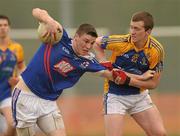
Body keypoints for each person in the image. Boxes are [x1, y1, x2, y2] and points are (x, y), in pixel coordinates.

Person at [93, 11, 167, 136]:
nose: (132, 32)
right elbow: (96, 42)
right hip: (115, 96)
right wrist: (103, 60)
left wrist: (128, 80)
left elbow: (153, 84)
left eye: (137, 29)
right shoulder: (122, 41)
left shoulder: (156, 50)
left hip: (140, 96)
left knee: (160, 134)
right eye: (131, 27)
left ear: (148, 32)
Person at [0, 15, 26, 136]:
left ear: (9, 27)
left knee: (13, 124)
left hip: (6, 93)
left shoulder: (17, 48)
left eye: (5, 25)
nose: (3, 28)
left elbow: (22, 68)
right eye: (0, 25)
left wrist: (19, 80)